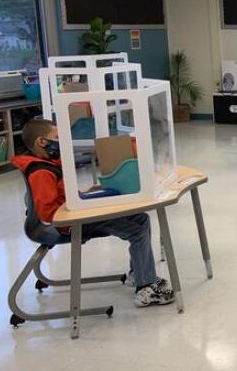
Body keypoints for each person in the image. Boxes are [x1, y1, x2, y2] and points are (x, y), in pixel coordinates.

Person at [11, 119, 174, 307]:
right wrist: (84, 207)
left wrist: (87, 195)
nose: (61, 141)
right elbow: (49, 213)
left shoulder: (49, 163)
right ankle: (145, 289)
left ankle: (139, 274)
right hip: (73, 223)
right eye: (56, 137)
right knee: (136, 232)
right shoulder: (41, 172)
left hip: (78, 213)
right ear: (42, 142)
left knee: (141, 218)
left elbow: (63, 197)